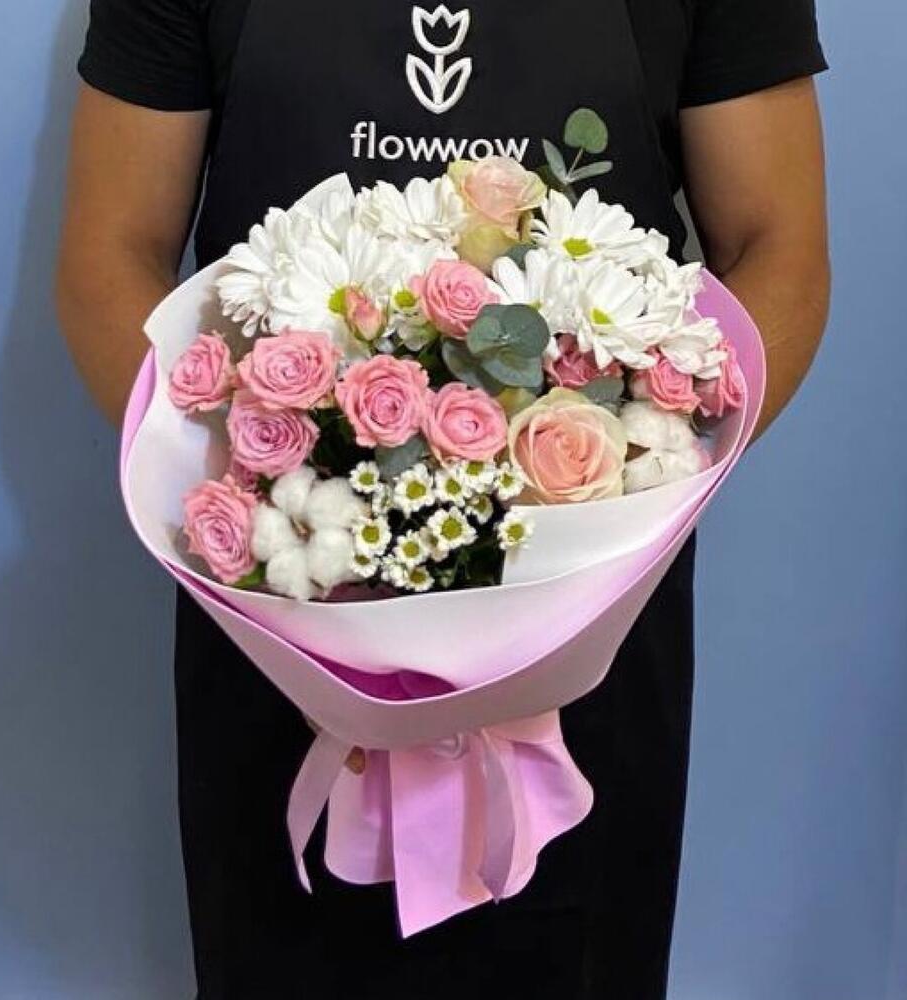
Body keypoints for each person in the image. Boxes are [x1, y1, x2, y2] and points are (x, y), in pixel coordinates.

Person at [56, 2, 830, 997]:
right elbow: (111, 253)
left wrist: (632, 481)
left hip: (584, 609)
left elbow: (778, 247)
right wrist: (264, 494)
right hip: (283, 599)